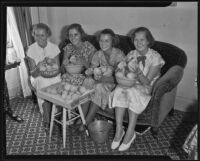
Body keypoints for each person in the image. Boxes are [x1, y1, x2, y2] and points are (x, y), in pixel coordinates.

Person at [109, 27, 165, 151]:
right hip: (131, 84)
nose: (138, 43)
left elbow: (147, 82)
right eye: (136, 40)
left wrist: (138, 71)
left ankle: (130, 132)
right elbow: (123, 72)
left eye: (142, 40)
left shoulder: (155, 57)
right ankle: (119, 131)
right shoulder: (131, 54)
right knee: (119, 89)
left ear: (148, 41)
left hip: (145, 88)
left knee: (130, 91)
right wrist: (120, 69)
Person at [75, 28, 125, 132]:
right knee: (87, 82)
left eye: (107, 41)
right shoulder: (98, 54)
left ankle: (87, 121)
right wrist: (91, 73)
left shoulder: (119, 54)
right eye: (101, 40)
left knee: (98, 87)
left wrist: (101, 78)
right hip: (103, 80)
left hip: (116, 84)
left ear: (112, 41)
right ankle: (82, 116)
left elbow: (120, 78)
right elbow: (92, 69)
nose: (103, 43)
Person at [26, 23, 61, 131]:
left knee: (58, 81)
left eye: (42, 35)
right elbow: (33, 73)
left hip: (54, 74)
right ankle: (46, 117)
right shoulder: (31, 49)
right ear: (33, 35)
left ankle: (57, 112)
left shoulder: (54, 47)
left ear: (48, 35)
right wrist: (38, 67)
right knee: (43, 83)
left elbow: (58, 69)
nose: (39, 38)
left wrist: (51, 66)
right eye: (37, 35)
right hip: (38, 76)